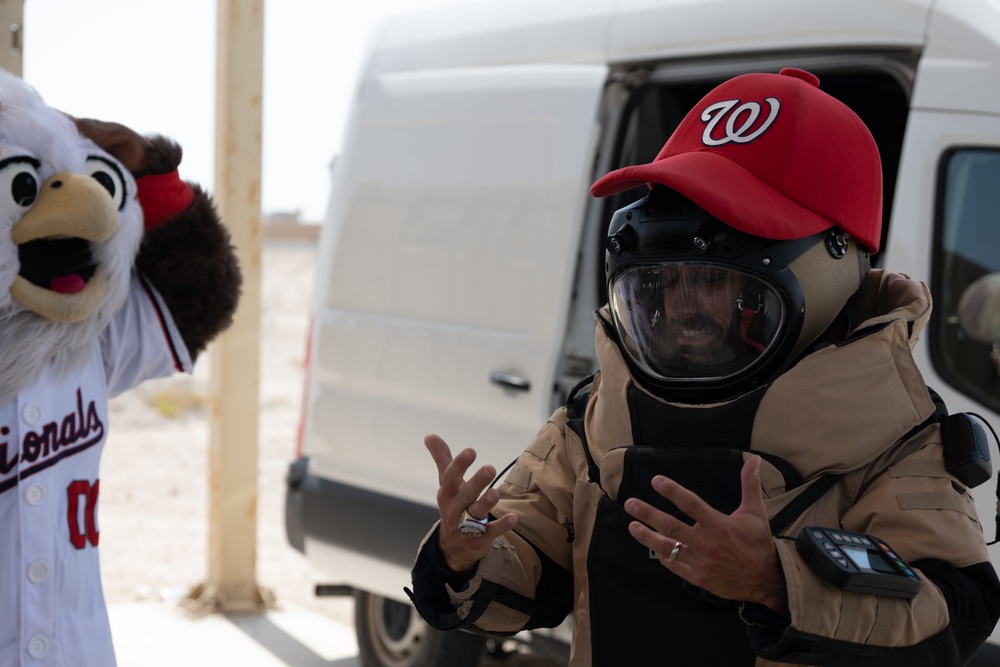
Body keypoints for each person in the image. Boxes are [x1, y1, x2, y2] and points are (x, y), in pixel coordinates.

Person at [407, 68, 1000, 665]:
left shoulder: (892, 438)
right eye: (663, 283)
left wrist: (776, 583)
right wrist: (466, 556)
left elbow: (949, 621)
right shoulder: (599, 414)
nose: (683, 305)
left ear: (831, 265)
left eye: (716, 279)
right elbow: (529, 569)